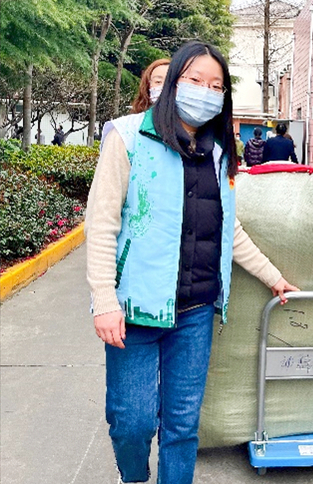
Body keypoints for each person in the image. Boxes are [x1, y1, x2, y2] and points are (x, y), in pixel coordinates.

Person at [85, 41, 298, 484]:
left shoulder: (218, 151)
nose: (206, 91)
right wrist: (104, 300)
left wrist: (273, 276)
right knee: (132, 421)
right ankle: (133, 477)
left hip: (196, 310)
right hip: (135, 310)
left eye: (216, 86)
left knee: (182, 427)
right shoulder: (127, 136)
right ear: (174, 81)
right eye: (196, 80)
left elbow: (228, 229)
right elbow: (102, 223)